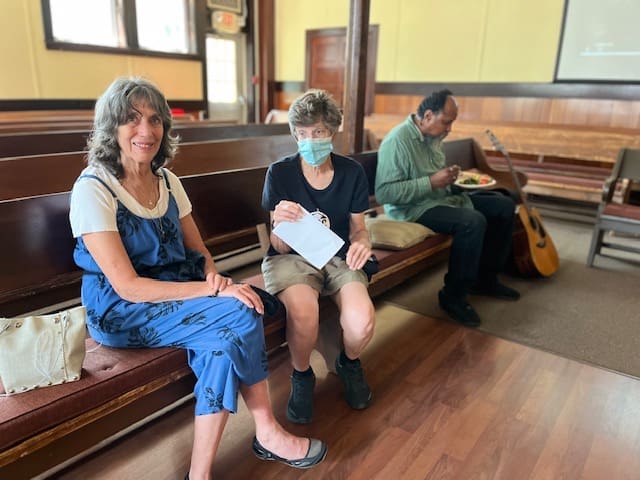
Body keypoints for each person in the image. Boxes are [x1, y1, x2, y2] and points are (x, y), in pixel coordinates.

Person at [69, 77, 327, 480]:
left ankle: (199, 474)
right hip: (123, 310)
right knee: (240, 314)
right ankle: (268, 430)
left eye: (155, 120)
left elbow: (200, 253)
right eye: (132, 119)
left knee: (224, 342)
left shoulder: (168, 181)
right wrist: (213, 289)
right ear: (111, 127)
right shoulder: (94, 188)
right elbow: (127, 286)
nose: (146, 130)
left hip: (182, 295)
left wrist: (215, 278)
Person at [261, 89, 375, 424]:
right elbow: (278, 246)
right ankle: (301, 375)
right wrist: (280, 224)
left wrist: (362, 244)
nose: (310, 140)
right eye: (303, 134)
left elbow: (358, 229)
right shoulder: (279, 174)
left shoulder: (351, 172)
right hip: (292, 258)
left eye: (319, 132)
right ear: (295, 134)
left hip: (338, 255)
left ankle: (349, 362)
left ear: (332, 132)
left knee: (361, 321)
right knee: (304, 314)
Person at [375, 89, 519, 327]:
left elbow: (438, 180)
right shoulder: (397, 141)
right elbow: (385, 193)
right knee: (472, 222)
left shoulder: (434, 139)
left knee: (504, 204)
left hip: (440, 198)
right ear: (428, 115)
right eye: (447, 122)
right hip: (412, 209)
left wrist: (452, 180)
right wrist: (431, 182)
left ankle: (486, 279)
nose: (449, 129)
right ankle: (453, 296)